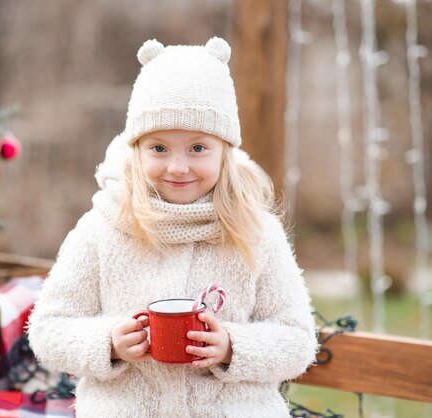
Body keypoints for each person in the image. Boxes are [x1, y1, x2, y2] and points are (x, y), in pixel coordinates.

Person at [27, 37, 317, 417]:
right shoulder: (102, 227)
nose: (177, 167)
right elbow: (48, 329)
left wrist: (232, 346)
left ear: (224, 151)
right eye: (159, 148)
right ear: (137, 150)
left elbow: (297, 340)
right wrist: (108, 343)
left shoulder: (257, 231)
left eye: (198, 148)